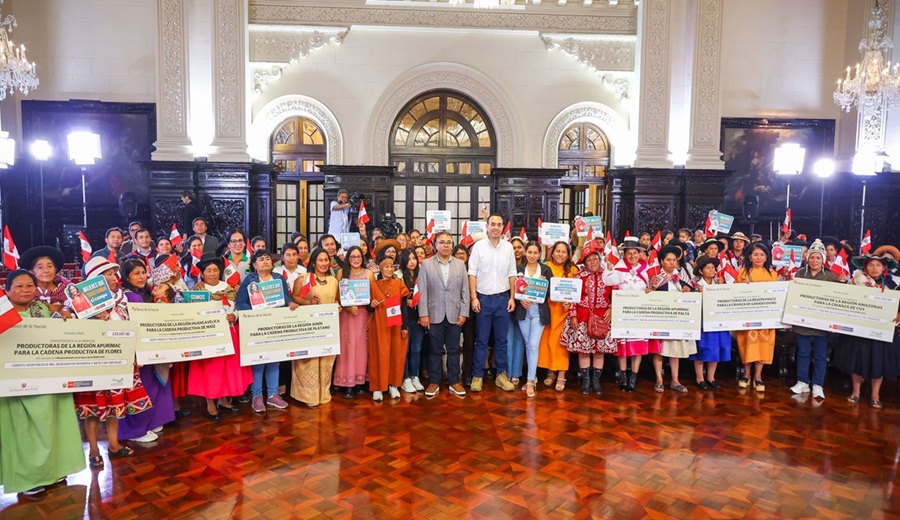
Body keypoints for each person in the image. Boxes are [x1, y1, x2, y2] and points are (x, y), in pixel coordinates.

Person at [0, 270, 85, 496]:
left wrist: (66, 314)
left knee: (55, 424)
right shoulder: (3, 315)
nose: (26, 289)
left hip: (50, 380)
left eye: (29, 285)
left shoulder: (43, 309)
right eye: (19, 286)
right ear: (7, 290)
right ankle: (28, 479)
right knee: (24, 431)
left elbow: (59, 330)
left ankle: (54, 470)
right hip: (17, 386)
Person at [74, 257, 151, 470]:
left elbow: (134, 326)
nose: (113, 278)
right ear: (94, 280)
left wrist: (137, 353)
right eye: (107, 274)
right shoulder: (79, 302)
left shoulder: (123, 298)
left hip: (121, 357)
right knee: (91, 407)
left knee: (115, 404)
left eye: (113, 273)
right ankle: (93, 449)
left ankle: (114, 444)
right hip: (94, 360)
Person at [117, 259, 176, 443]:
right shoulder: (128, 296)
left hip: (150, 347)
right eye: (136, 273)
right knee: (141, 388)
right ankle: (135, 430)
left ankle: (149, 422)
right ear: (127, 276)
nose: (142, 277)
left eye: (143, 272)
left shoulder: (143, 293)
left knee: (153, 385)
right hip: (138, 349)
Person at [188, 252, 251, 419]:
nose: (212, 273)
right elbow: (192, 314)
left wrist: (235, 316)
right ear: (202, 273)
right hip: (209, 335)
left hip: (230, 333)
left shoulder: (228, 288)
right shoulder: (197, 291)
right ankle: (210, 402)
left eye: (215, 270)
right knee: (212, 369)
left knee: (227, 369)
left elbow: (238, 307)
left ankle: (223, 399)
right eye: (208, 270)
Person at [833, 252, 900, 409]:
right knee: (857, 359)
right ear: (865, 267)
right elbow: (845, 300)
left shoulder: (892, 285)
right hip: (859, 329)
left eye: (878, 265)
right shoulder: (855, 283)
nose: (874, 268)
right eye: (871, 264)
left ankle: (875, 395)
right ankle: (855, 392)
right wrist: (842, 285)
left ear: (884, 268)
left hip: (881, 330)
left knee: (879, 361)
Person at [236, 250, 296, 413]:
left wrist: (290, 304)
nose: (265, 261)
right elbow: (240, 303)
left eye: (268, 259)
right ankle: (257, 396)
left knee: (274, 360)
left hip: (275, 326)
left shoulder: (278, 279)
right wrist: (255, 311)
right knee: (258, 362)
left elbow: (286, 298)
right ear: (254, 265)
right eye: (261, 259)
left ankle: (272, 394)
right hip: (256, 327)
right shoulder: (250, 280)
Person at [467, 214, 517, 392]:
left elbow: (512, 274)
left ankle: (501, 375)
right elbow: (471, 273)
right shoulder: (478, 247)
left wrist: (512, 297)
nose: (496, 227)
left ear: (503, 227)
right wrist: (473, 298)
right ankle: (477, 375)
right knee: (481, 340)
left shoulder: (508, 247)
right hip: (483, 299)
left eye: (499, 224)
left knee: (501, 340)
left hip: (503, 298)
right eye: (492, 224)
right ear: (487, 226)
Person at [418, 231, 470, 397]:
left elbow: (465, 291)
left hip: (455, 314)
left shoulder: (460, 264)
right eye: (442, 242)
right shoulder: (426, 264)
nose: (446, 245)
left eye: (449, 242)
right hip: (434, 314)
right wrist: (423, 314)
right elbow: (422, 291)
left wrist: (464, 312)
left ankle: (455, 381)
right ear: (435, 245)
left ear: (452, 245)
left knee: (454, 350)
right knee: (434, 350)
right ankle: (434, 381)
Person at [561, 241, 616, 396]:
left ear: (600, 259)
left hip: (602, 317)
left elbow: (616, 293)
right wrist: (573, 315)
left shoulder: (608, 275)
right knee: (583, 350)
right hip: (583, 316)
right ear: (584, 263)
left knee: (599, 351)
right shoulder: (579, 276)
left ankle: (596, 381)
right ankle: (586, 380)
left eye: (595, 259)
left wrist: (611, 308)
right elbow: (572, 297)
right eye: (589, 260)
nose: (593, 262)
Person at [604, 236, 658, 392]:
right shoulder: (618, 268)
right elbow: (611, 288)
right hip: (622, 313)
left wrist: (650, 289)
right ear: (624, 254)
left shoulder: (646, 269)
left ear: (640, 253)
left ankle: (633, 376)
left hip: (639, 314)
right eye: (629, 253)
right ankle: (623, 376)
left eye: (635, 253)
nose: (632, 256)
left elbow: (650, 288)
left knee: (637, 345)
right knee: (623, 346)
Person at [788, 239, 841, 400]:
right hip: (802, 322)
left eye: (818, 258)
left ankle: (818, 384)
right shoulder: (799, 274)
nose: (815, 261)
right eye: (812, 257)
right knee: (803, 352)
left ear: (823, 259)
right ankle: (802, 381)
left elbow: (836, 300)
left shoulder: (832, 277)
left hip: (821, 324)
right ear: (807, 258)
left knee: (820, 355)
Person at [291, 248, 339, 406]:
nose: (324, 263)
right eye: (320, 260)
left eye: (326, 260)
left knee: (325, 361)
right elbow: (295, 298)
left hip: (327, 328)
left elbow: (336, 300)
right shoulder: (304, 278)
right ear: (314, 262)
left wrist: (337, 306)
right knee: (308, 361)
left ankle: (323, 393)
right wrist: (308, 302)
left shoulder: (333, 280)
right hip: (309, 328)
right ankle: (307, 396)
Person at [648, 245, 697, 394]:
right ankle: (659, 380)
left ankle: (675, 380)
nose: (671, 263)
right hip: (660, 318)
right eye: (668, 260)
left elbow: (693, 292)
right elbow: (648, 295)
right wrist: (651, 289)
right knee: (659, 349)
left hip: (677, 319)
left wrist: (688, 291)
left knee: (675, 349)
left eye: (674, 260)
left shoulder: (681, 276)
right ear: (662, 261)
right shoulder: (656, 277)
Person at [735, 243, 779, 392]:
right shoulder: (742, 273)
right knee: (747, 345)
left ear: (766, 257)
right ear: (749, 257)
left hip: (766, 318)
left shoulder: (772, 274)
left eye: (762, 254)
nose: (759, 257)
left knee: (763, 346)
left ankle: (758, 376)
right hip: (747, 317)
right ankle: (746, 373)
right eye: (755, 254)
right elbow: (735, 294)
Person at [368, 256, 411, 401]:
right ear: (380, 269)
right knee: (378, 355)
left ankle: (393, 384)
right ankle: (378, 387)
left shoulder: (399, 284)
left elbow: (404, 307)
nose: (389, 269)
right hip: (379, 325)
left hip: (395, 324)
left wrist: (404, 326)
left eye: (391, 266)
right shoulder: (373, 285)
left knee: (395, 354)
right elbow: (368, 307)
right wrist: (371, 305)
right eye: (386, 266)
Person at [513, 242, 552, 398]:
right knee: (528, 344)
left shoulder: (546, 270)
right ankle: (533, 377)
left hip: (538, 313)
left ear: (540, 254)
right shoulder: (518, 269)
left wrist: (543, 284)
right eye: (529, 252)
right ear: (525, 252)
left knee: (533, 345)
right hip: (523, 312)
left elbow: (551, 292)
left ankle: (530, 381)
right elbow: (512, 289)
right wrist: (520, 300)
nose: (532, 255)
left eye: (535, 253)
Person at [539, 241, 578, 391]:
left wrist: (571, 302)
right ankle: (550, 372)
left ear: (568, 255)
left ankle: (561, 375)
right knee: (548, 342)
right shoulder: (545, 267)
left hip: (565, 312)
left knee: (562, 344)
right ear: (552, 252)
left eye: (564, 252)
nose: (560, 254)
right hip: (549, 310)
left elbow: (577, 292)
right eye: (558, 251)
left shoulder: (573, 270)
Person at [334, 246, 373, 399]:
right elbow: (337, 297)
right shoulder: (341, 274)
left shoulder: (369, 274)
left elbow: (372, 297)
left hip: (363, 315)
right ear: (347, 258)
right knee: (347, 348)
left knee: (362, 348)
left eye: (358, 257)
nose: (356, 260)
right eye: (352, 257)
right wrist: (348, 307)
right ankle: (346, 383)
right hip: (347, 315)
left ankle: (360, 381)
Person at [690, 256, 731, 389]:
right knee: (701, 350)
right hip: (702, 322)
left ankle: (711, 377)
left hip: (716, 321)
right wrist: (696, 293)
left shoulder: (719, 285)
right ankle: (699, 377)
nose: (711, 270)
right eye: (708, 268)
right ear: (701, 271)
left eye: (713, 267)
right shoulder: (695, 285)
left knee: (715, 349)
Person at [398, 249, 426, 393]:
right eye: (408, 259)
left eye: (414, 258)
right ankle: (405, 378)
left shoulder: (422, 274)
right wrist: (405, 302)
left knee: (416, 349)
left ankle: (415, 376)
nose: (412, 261)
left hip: (419, 318)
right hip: (404, 319)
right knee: (405, 350)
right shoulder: (398, 276)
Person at [21, 245, 72, 316]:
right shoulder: (25, 291)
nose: (46, 271)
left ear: (55, 269)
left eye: (50, 266)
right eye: (40, 267)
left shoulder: (70, 289)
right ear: (31, 272)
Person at [507, 237, 527, 387]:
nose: (516, 250)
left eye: (519, 247)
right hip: (507, 305)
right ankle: (507, 372)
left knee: (519, 340)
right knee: (508, 339)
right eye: (513, 247)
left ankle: (516, 373)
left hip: (523, 308)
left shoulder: (529, 267)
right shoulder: (505, 264)